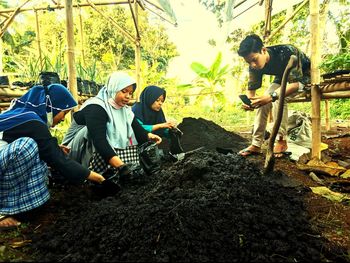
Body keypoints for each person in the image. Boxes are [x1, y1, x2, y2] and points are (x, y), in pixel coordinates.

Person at [0, 84, 118, 230]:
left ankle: (25, 209)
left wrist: (54, 149)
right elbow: (58, 160)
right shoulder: (32, 121)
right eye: (64, 112)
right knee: (27, 146)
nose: (63, 119)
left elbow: (47, 149)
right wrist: (98, 178)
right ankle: (3, 212)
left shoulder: (25, 115)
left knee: (37, 150)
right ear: (52, 107)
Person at [62, 72, 162, 177]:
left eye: (130, 93)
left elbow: (136, 129)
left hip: (101, 148)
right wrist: (123, 167)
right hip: (74, 152)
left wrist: (149, 136)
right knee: (93, 131)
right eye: (124, 91)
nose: (128, 96)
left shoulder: (124, 110)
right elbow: (99, 140)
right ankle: (96, 173)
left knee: (126, 130)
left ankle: (118, 172)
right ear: (113, 89)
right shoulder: (96, 107)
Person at [237, 34, 310, 158]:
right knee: (261, 100)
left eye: (254, 60)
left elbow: (293, 84)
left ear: (263, 50)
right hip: (282, 78)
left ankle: (281, 140)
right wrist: (250, 102)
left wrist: (272, 96)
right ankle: (256, 144)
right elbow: (251, 90)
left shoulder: (287, 52)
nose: (253, 65)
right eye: (249, 62)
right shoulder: (253, 64)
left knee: (277, 99)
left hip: (303, 78)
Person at [132, 85, 184, 157]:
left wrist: (171, 130)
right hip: (136, 148)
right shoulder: (137, 109)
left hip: (153, 147)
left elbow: (162, 131)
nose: (160, 103)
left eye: (162, 101)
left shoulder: (158, 112)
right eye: (157, 100)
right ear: (149, 98)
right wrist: (161, 125)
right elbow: (138, 129)